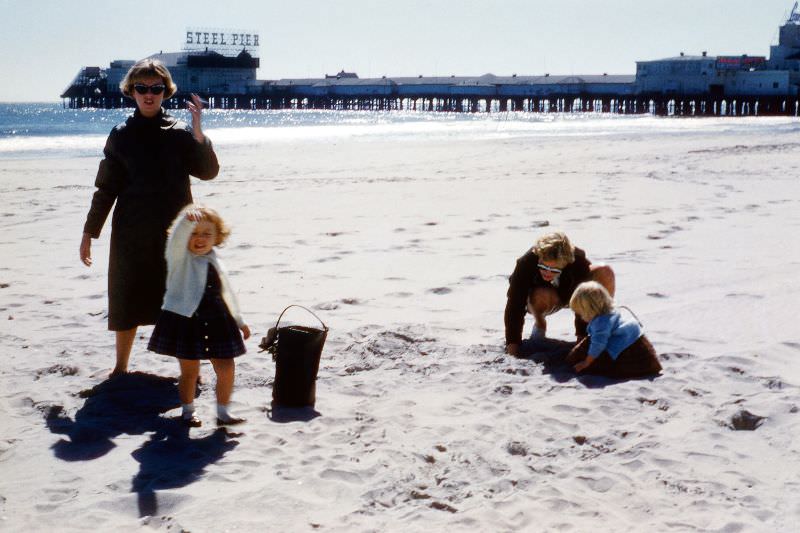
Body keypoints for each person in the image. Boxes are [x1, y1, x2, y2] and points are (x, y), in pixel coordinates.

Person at [79, 58, 219, 376]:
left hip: (176, 234)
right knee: (126, 298)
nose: (148, 94)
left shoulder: (181, 133)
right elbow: (105, 189)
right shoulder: (120, 135)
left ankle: (189, 369)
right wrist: (90, 232)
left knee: (183, 299)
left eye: (156, 88)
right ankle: (121, 367)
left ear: (165, 93)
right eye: (141, 87)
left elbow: (208, 172)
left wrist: (199, 135)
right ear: (131, 91)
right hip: (131, 232)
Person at [148, 205, 251, 427]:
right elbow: (175, 240)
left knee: (226, 367)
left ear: (217, 237)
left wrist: (239, 321)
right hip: (186, 321)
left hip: (218, 320)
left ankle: (223, 413)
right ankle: (188, 412)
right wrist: (185, 222)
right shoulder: (179, 258)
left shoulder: (215, 259)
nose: (200, 238)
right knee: (190, 371)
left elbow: (227, 293)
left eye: (207, 233)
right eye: (194, 233)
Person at [504, 231, 615, 356]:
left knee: (605, 272)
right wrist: (512, 346)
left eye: (553, 269)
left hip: (571, 293)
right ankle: (540, 324)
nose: (547, 272)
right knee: (540, 294)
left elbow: (583, 297)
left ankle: (602, 327)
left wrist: (581, 338)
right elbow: (514, 305)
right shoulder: (526, 262)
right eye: (543, 267)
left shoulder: (577, 261)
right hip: (542, 297)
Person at [566, 281, 662, 378]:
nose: (581, 317)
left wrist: (586, 362)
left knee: (583, 354)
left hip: (627, 353)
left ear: (590, 309)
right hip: (641, 344)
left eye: (582, 313)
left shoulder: (600, 322)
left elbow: (598, 345)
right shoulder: (612, 310)